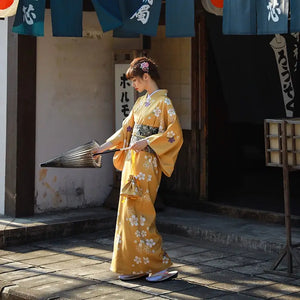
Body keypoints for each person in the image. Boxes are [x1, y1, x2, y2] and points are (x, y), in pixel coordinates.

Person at [95, 57, 183, 282]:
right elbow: (126, 130)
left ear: (146, 77)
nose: (133, 84)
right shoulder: (140, 103)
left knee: (142, 214)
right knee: (127, 214)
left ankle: (159, 266)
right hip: (132, 163)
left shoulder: (164, 103)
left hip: (147, 164)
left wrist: (147, 141)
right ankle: (135, 265)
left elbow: (174, 135)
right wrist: (102, 148)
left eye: (135, 80)